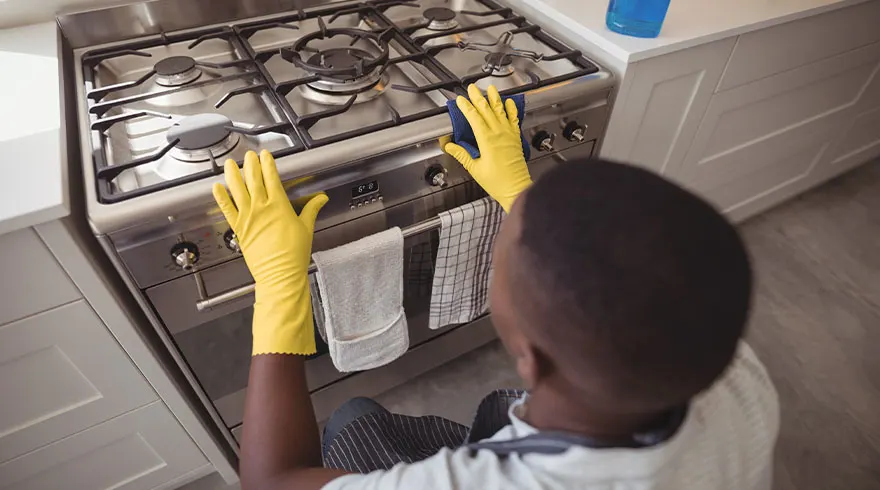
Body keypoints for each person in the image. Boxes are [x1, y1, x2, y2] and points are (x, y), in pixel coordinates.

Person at [212, 84, 780, 490]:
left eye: (509, 250)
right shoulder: (728, 365)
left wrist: (281, 287)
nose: (517, 219)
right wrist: (520, 192)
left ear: (528, 359)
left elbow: (273, 481)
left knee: (353, 413)